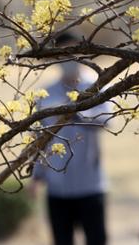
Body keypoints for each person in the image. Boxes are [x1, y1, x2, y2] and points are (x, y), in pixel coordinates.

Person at [29, 32, 112, 245]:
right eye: (63, 54)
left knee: (96, 239)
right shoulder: (46, 94)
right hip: (57, 186)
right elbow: (39, 138)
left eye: (74, 52)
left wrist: (78, 112)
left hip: (90, 184)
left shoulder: (94, 86)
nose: (69, 59)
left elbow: (106, 120)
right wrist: (37, 176)